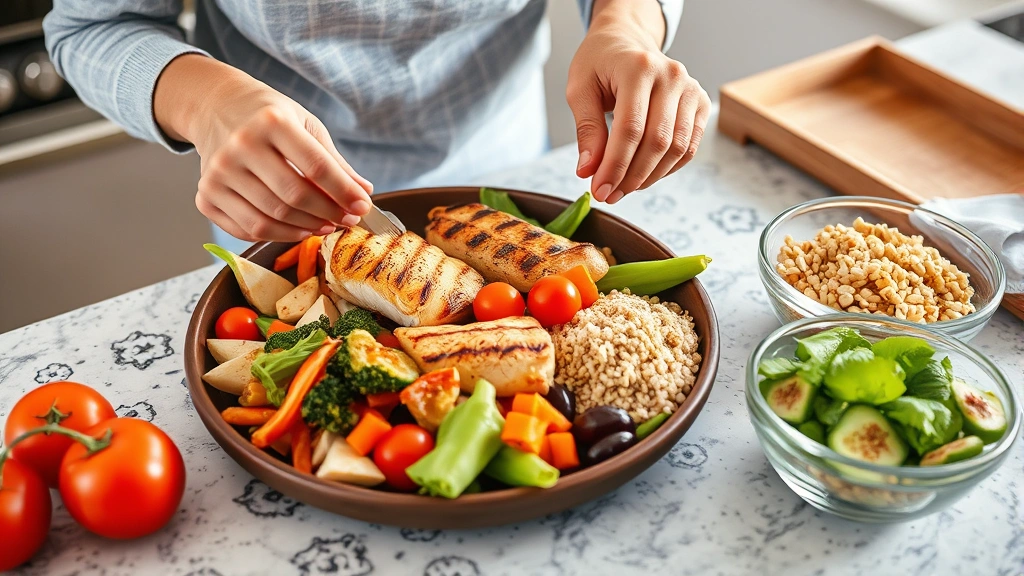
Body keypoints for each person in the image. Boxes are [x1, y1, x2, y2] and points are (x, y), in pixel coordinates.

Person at [44, 0, 710, 252]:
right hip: (281, 196)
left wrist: (627, 24)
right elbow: (91, 27)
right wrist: (207, 103)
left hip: (503, 170)